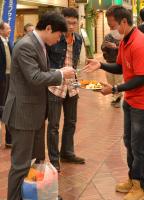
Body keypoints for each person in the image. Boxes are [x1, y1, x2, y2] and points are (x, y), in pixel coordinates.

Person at [83, 5, 144, 200]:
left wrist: (115, 89)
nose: (112, 29)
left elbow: (141, 78)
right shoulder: (126, 41)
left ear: (124, 22)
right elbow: (120, 67)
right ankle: (133, 178)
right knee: (129, 142)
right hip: (132, 100)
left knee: (140, 146)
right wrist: (100, 64)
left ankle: (143, 186)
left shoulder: (139, 44)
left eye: (113, 25)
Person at [2, 11, 75, 200]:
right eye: (59, 35)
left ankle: (34, 196)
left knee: (35, 162)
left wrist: (58, 72)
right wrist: (60, 74)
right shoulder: (26, 45)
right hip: (22, 114)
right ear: (48, 28)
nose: (59, 39)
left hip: (34, 113)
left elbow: (39, 71)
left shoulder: (39, 44)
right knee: (21, 166)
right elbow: (34, 77)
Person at [46, 8, 85, 173]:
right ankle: (54, 160)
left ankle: (67, 153)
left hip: (72, 84)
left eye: (74, 22)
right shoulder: (55, 38)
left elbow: (75, 63)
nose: (71, 26)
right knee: (54, 126)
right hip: (55, 85)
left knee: (71, 122)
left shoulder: (78, 38)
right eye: (68, 22)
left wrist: (77, 84)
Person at [101, 8, 123, 108]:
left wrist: (116, 47)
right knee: (110, 81)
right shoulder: (108, 36)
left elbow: (125, 49)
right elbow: (102, 47)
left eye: (112, 24)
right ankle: (115, 97)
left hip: (118, 63)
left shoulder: (123, 36)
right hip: (109, 62)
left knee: (118, 81)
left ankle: (118, 98)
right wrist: (106, 47)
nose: (111, 27)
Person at [0, 22, 12, 148]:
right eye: (8, 28)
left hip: (9, 77)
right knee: (2, 106)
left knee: (8, 105)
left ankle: (9, 139)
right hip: (2, 78)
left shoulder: (8, 41)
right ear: (1, 30)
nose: (10, 30)